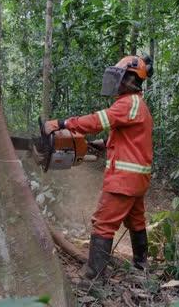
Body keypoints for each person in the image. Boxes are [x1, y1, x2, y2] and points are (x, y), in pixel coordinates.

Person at [44, 55, 154, 278]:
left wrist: (62, 123)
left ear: (130, 79)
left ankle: (94, 278)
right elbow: (131, 138)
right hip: (137, 180)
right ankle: (141, 266)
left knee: (103, 224)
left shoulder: (128, 103)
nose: (116, 82)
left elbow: (96, 121)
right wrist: (104, 144)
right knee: (136, 221)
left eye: (119, 77)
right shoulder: (137, 105)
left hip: (123, 179)